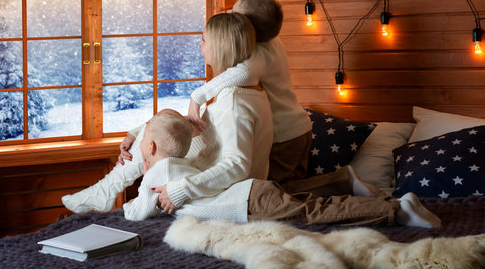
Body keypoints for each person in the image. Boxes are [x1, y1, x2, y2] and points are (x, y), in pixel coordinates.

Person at [62, 12, 273, 214]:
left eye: (204, 39)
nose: (200, 44)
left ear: (219, 47)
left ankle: (105, 191)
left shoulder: (234, 102)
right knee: (166, 119)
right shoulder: (243, 87)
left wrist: (181, 189)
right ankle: (106, 190)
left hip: (222, 187)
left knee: (161, 128)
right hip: (209, 159)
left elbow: (237, 166)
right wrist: (138, 132)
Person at [125, 110, 441, 229]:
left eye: (141, 141)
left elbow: (136, 214)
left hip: (247, 204)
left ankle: (395, 211)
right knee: (300, 199)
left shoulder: (156, 175)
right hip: (251, 190)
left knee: (312, 212)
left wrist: (136, 202)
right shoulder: (186, 165)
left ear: (150, 148)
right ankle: (341, 180)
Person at [187, 0, 313, 186]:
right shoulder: (274, 40)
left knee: (277, 196)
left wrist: (198, 96)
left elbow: (244, 72)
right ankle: (343, 180)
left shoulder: (256, 53)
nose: (228, 12)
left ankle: (344, 182)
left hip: (283, 135)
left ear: (247, 27)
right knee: (295, 189)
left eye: (234, 12)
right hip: (299, 126)